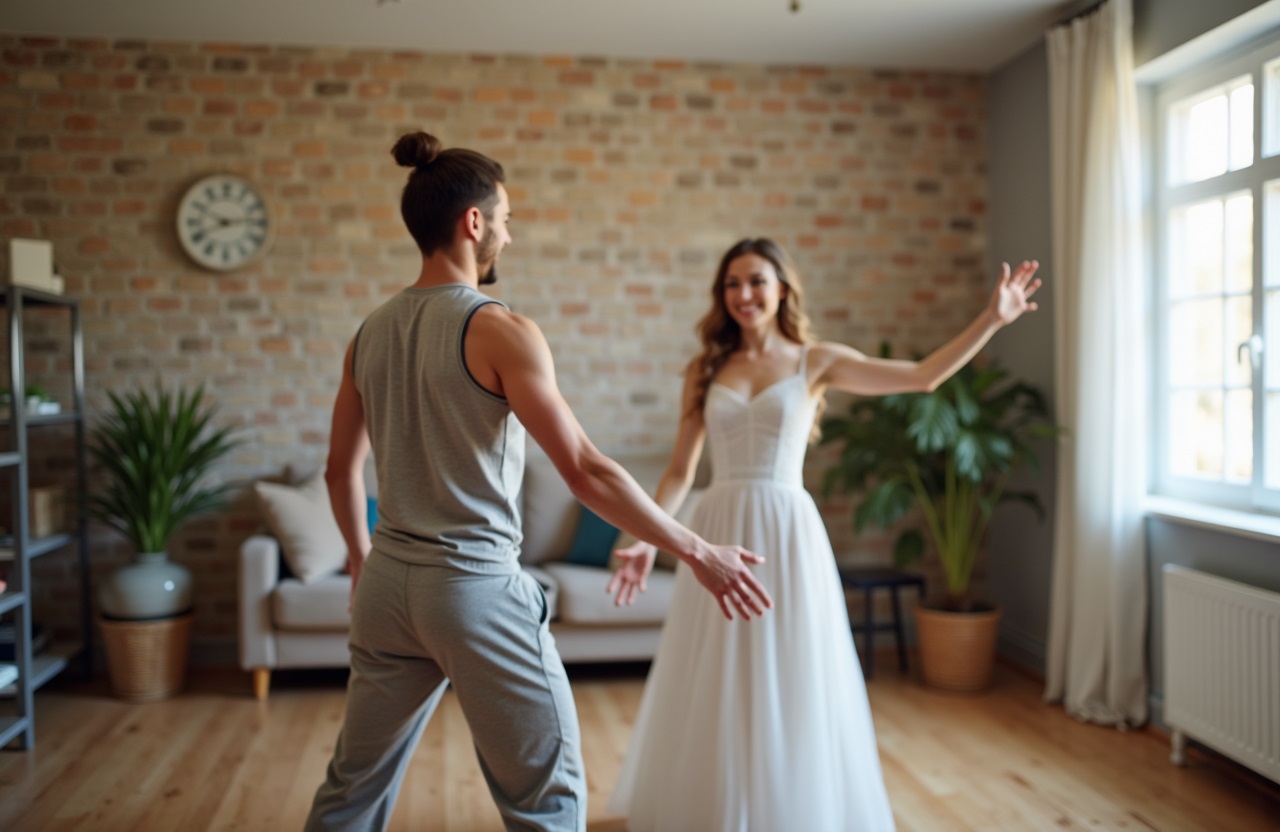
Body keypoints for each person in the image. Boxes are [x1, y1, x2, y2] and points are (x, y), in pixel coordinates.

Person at [304, 133, 774, 832]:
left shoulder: (368, 334)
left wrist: (360, 564)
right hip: (473, 590)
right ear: (473, 223)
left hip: (387, 590)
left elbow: (340, 469)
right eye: (506, 218)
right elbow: (584, 469)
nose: (509, 236)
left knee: (351, 791)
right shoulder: (499, 329)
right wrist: (700, 553)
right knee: (545, 803)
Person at [605, 238, 1041, 831]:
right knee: (714, 668)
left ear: (782, 287)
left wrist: (992, 319)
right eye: (732, 284)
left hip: (787, 534)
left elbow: (922, 378)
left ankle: (789, 809)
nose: (744, 295)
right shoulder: (705, 370)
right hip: (719, 523)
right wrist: (645, 540)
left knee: (791, 666)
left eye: (756, 281)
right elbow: (682, 470)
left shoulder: (818, 361)